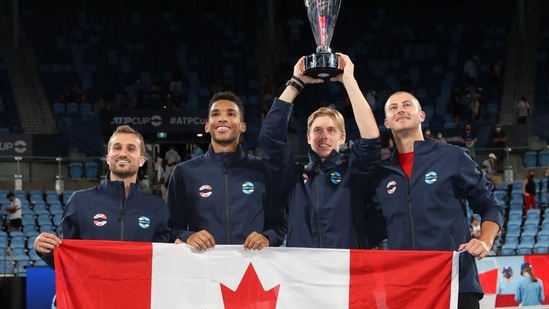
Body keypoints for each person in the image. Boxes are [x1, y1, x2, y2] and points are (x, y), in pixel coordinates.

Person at [368, 91, 503, 309]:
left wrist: (485, 240)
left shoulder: (453, 157)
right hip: (405, 289)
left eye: (407, 105)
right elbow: (369, 230)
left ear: (422, 115)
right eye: (393, 107)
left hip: (455, 283)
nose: (400, 109)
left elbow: (490, 204)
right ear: (386, 122)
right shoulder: (381, 175)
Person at [259, 53, 385, 249]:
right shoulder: (294, 178)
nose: (323, 135)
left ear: (342, 138)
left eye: (331, 130)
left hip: (346, 272)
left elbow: (371, 140)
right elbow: (270, 139)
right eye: (317, 130)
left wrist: (349, 81)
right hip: (302, 272)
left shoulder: (354, 174)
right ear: (308, 138)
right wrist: (295, 83)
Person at [33, 125, 172, 268]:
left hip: (138, 289)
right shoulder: (80, 202)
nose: (123, 153)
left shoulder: (158, 207)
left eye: (131, 149)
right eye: (117, 148)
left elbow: (165, 261)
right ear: (108, 157)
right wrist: (45, 251)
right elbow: (65, 259)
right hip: (92, 289)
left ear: (142, 160)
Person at [167, 91, 286, 251]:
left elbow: (279, 224)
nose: (222, 118)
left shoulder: (263, 170)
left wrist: (267, 238)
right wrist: (188, 236)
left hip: (252, 268)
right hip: (204, 269)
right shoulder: (184, 172)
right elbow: (171, 226)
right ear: (207, 126)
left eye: (231, 114)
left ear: (242, 126)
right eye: (215, 114)